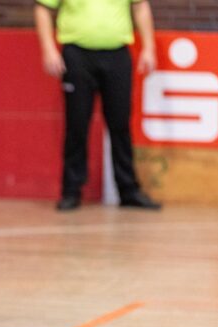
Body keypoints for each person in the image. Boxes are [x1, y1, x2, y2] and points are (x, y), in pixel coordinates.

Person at [34, 0, 162, 211]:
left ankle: (128, 190)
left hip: (117, 54)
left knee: (120, 124)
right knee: (76, 123)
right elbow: (43, 9)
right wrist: (48, 49)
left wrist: (149, 47)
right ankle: (71, 190)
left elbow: (140, 6)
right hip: (77, 54)